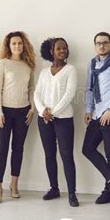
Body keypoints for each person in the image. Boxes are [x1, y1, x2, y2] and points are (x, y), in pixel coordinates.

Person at [82, 32, 110, 204]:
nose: (101, 46)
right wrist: (88, 110)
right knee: (87, 148)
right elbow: (89, 88)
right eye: (98, 43)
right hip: (97, 113)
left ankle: (108, 192)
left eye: (105, 43)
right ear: (95, 46)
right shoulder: (92, 63)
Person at [34, 37, 79, 207]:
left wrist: (52, 112)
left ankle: (72, 194)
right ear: (51, 51)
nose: (62, 51)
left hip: (64, 119)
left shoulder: (71, 70)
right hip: (44, 119)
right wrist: (42, 111)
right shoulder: (44, 72)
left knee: (67, 156)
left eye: (65, 48)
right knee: (49, 155)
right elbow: (37, 94)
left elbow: (69, 95)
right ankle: (54, 188)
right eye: (59, 48)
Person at [0, 31, 36, 203]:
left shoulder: (28, 66)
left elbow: (32, 89)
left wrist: (32, 108)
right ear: (8, 46)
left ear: (23, 44)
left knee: (18, 149)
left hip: (23, 112)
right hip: (5, 111)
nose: (17, 46)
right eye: (13, 43)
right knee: (1, 150)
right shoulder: (2, 64)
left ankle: (14, 184)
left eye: (19, 43)